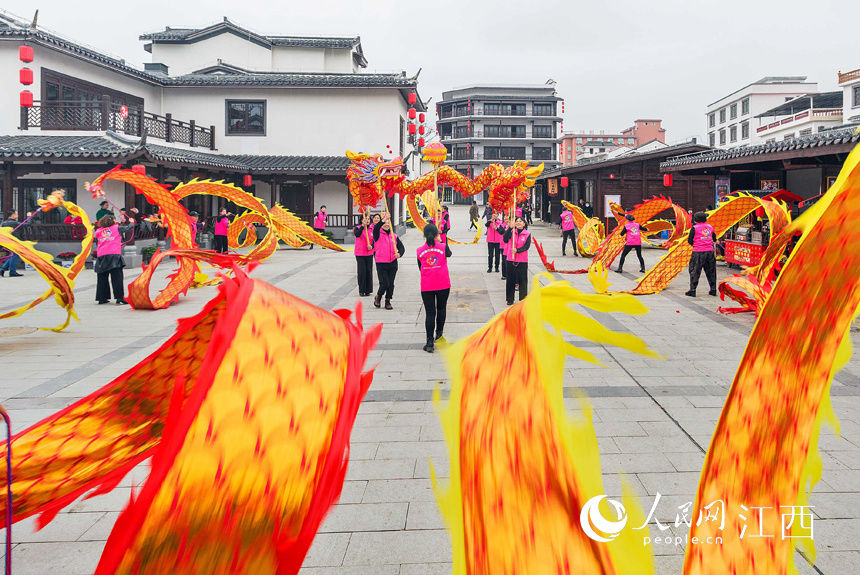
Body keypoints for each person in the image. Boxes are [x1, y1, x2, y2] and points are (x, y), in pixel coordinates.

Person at [417, 223, 452, 353]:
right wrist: (441, 240)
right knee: (441, 309)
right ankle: (439, 335)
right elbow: (449, 254)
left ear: (424, 235)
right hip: (443, 283)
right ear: (437, 234)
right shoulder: (443, 247)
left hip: (427, 285)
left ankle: (429, 342)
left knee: (430, 313)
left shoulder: (419, 251)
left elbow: (420, 267)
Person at [373, 212, 405, 310]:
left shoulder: (394, 236)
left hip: (392, 262)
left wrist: (399, 254)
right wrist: (383, 219)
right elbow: (376, 228)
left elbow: (401, 247)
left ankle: (388, 300)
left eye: (388, 223)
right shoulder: (377, 234)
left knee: (391, 283)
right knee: (384, 283)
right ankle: (378, 297)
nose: (387, 224)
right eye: (385, 223)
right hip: (381, 262)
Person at [93, 215, 128, 305]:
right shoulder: (116, 228)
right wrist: (131, 221)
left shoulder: (98, 231)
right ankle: (119, 298)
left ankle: (102, 298)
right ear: (112, 221)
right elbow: (128, 228)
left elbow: (98, 242)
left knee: (102, 278)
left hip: (102, 256)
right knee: (117, 278)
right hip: (114, 255)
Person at [686, 212, 717, 297]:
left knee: (694, 271)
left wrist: (697, 244)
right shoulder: (710, 227)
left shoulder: (694, 228)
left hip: (698, 252)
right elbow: (714, 238)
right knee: (711, 271)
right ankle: (713, 289)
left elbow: (689, 240)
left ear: (695, 220)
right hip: (710, 252)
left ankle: (692, 290)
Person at [503, 215, 531, 305]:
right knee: (510, 280)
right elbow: (505, 239)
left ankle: (523, 299)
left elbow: (527, 246)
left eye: (520, 221)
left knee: (523, 281)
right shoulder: (512, 232)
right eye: (517, 221)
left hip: (522, 260)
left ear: (524, 224)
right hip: (511, 259)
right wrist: (510, 228)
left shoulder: (527, 234)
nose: (518, 222)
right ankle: (509, 299)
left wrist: (517, 250)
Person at [354, 212, 375, 296]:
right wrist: (363, 226)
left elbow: (374, 241)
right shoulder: (357, 228)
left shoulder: (371, 229)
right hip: (360, 253)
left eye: (368, 219)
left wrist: (372, 246)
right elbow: (358, 235)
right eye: (365, 219)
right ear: (361, 220)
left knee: (369, 271)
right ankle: (361, 290)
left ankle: (368, 290)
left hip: (369, 253)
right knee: (362, 272)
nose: (367, 220)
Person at [0, 210, 24, 277]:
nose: (17, 215)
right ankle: (12, 272)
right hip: (14, 242)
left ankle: (3, 269)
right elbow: (27, 224)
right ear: (12, 215)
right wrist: (29, 216)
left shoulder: (4, 223)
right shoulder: (14, 223)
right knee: (15, 256)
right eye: (16, 214)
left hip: (8, 242)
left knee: (13, 256)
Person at [497, 215, 510, 280]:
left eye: (507, 218)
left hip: (510, 245)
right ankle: (504, 275)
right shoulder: (502, 225)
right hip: (503, 245)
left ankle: (509, 274)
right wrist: (506, 227)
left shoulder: (512, 225)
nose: (506, 219)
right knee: (504, 260)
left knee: (509, 260)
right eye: (505, 218)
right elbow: (500, 232)